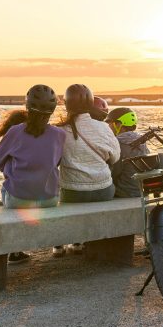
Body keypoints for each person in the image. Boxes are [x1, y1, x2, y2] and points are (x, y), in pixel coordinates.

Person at [0, 84, 66, 264]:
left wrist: (15, 172)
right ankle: (57, 243)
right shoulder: (59, 134)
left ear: (27, 106)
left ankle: (16, 251)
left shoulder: (15, 131)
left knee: (7, 188)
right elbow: (56, 162)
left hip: (19, 197)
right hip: (49, 198)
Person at [54, 84, 120, 256]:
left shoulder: (59, 130)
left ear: (67, 104)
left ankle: (65, 244)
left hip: (72, 193)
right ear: (91, 102)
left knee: (64, 196)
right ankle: (80, 242)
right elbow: (115, 157)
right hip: (104, 190)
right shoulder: (103, 127)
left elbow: (54, 161)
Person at [105, 107, 150, 198]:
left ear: (118, 124)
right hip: (141, 190)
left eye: (110, 124)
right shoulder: (142, 141)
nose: (109, 127)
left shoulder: (117, 142)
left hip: (124, 191)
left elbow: (114, 172)